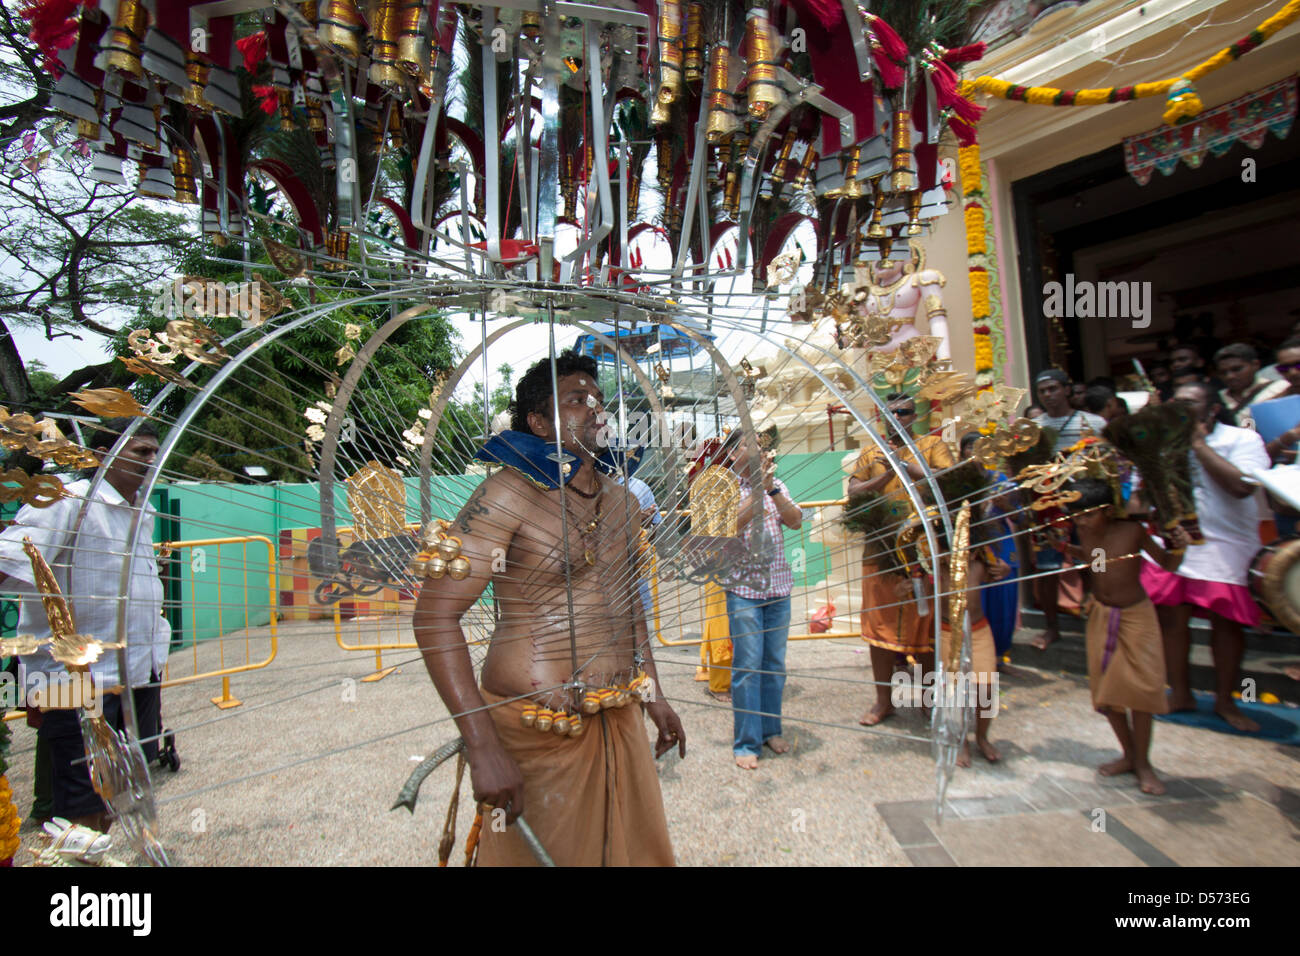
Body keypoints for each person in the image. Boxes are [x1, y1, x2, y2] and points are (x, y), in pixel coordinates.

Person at [411, 350, 684, 866]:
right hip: (535, 729)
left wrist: (654, 696)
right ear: (538, 422)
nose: (597, 410)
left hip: (619, 717)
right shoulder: (507, 494)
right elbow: (433, 615)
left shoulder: (624, 502)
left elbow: (628, 611)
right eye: (577, 400)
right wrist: (483, 745)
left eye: (600, 400)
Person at [0, 420, 169, 834]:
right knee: (80, 801)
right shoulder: (67, 503)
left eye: (154, 452)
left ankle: (99, 859)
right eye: (140, 452)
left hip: (138, 674)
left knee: (122, 791)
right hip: (78, 681)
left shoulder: (141, 510)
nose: (151, 461)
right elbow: (6, 565)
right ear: (103, 456)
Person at [1139, 381, 1270, 732]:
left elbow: (1242, 487)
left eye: (1190, 403)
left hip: (1225, 544)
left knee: (1226, 624)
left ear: (1212, 409)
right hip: (1176, 543)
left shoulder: (1242, 439)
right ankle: (1179, 692)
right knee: (1171, 620)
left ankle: (1227, 700)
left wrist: (1196, 443)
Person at [1066, 478, 1190, 795]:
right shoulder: (1084, 531)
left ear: (1107, 511)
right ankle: (1129, 755)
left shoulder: (1132, 531)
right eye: (1076, 515)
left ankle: (1144, 764)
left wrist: (1179, 546)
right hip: (1101, 615)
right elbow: (1095, 562)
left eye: (1087, 514)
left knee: (1142, 692)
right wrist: (1066, 548)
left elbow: (1167, 563)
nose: (1080, 520)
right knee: (1106, 693)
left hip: (1136, 616)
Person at [848, 392, 954, 725]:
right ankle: (884, 702)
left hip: (922, 553)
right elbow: (853, 491)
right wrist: (883, 473)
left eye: (904, 412)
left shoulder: (933, 446)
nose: (897, 418)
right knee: (877, 632)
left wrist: (904, 465)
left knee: (927, 630)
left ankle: (927, 697)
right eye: (890, 413)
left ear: (914, 416)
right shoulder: (870, 452)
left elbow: (948, 479)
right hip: (880, 553)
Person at [719, 429, 802, 770]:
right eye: (746, 444)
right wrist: (756, 492)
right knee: (747, 668)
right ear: (731, 454)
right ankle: (746, 743)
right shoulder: (720, 487)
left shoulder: (776, 484)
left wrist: (771, 489)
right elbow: (726, 527)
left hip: (778, 589)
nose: (756, 450)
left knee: (774, 666)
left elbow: (796, 521)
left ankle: (771, 729)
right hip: (743, 592)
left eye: (759, 444)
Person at [1028, 370, 1106, 649]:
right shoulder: (1033, 427)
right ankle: (1051, 627)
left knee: (1092, 563)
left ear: (1067, 389)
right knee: (1047, 568)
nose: (1048, 395)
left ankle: (1099, 623)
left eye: (1053, 389)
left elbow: (1107, 461)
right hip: (1047, 505)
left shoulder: (1094, 423)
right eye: (1043, 391)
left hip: (1087, 504)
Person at [960, 433, 1020, 665]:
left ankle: (999, 658)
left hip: (1002, 550)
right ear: (962, 451)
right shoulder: (957, 482)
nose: (975, 451)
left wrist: (1005, 506)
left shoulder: (1003, 480)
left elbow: (1022, 516)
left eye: (981, 446)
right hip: (972, 552)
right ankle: (976, 660)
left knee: (1003, 608)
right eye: (970, 447)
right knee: (975, 605)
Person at [1214, 343, 1289, 430]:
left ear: (1255, 365)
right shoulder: (1215, 398)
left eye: (1237, 369)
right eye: (1223, 372)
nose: (1230, 376)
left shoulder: (1280, 387)